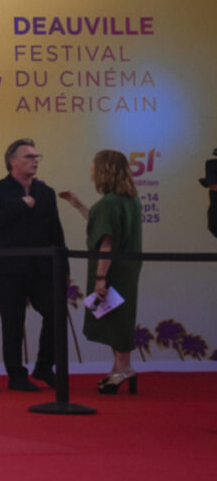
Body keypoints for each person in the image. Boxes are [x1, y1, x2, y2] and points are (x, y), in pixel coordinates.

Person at [0, 139, 75, 392]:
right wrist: (20, 205)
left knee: (55, 313)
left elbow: (56, 231)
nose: (35, 161)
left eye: (36, 157)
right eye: (29, 157)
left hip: (43, 268)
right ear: (12, 161)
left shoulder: (46, 193)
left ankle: (44, 366)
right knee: (12, 321)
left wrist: (64, 269)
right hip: (9, 269)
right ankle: (15, 374)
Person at [79, 150, 144, 394]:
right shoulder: (129, 200)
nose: (91, 170)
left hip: (111, 270)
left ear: (103, 170)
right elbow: (102, 226)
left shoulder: (109, 203)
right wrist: (78, 205)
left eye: (94, 166)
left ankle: (123, 368)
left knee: (115, 319)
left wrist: (100, 278)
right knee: (119, 317)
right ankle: (120, 367)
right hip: (127, 269)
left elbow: (106, 241)